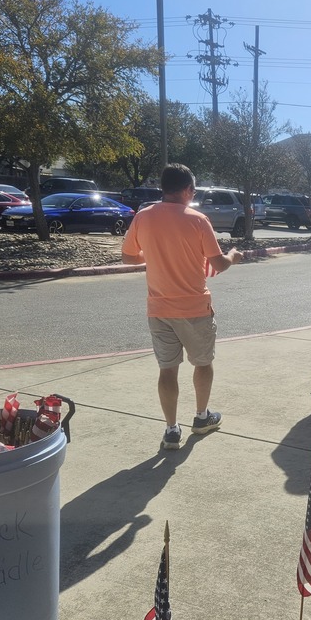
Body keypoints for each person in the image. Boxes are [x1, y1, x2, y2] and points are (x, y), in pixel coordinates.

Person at [121, 164, 243, 450]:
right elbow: (218, 265)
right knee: (202, 363)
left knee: (167, 370)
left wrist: (151, 255)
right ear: (188, 189)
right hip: (195, 308)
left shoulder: (143, 217)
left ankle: (171, 429)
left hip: (159, 308)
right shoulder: (198, 220)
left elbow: (128, 257)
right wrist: (234, 256)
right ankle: (202, 417)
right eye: (194, 190)